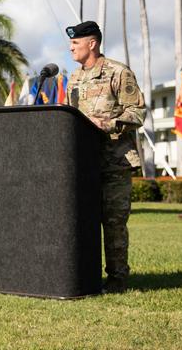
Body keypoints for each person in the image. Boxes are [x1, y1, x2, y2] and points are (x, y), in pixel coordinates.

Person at [64, 20, 145, 294]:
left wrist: (107, 123)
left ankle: (117, 280)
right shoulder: (73, 78)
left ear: (92, 43)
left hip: (114, 163)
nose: (71, 48)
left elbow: (138, 113)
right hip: (83, 164)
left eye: (75, 43)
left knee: (113, 223)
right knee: (82, 221)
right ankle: (85, 275)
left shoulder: (118, 73)